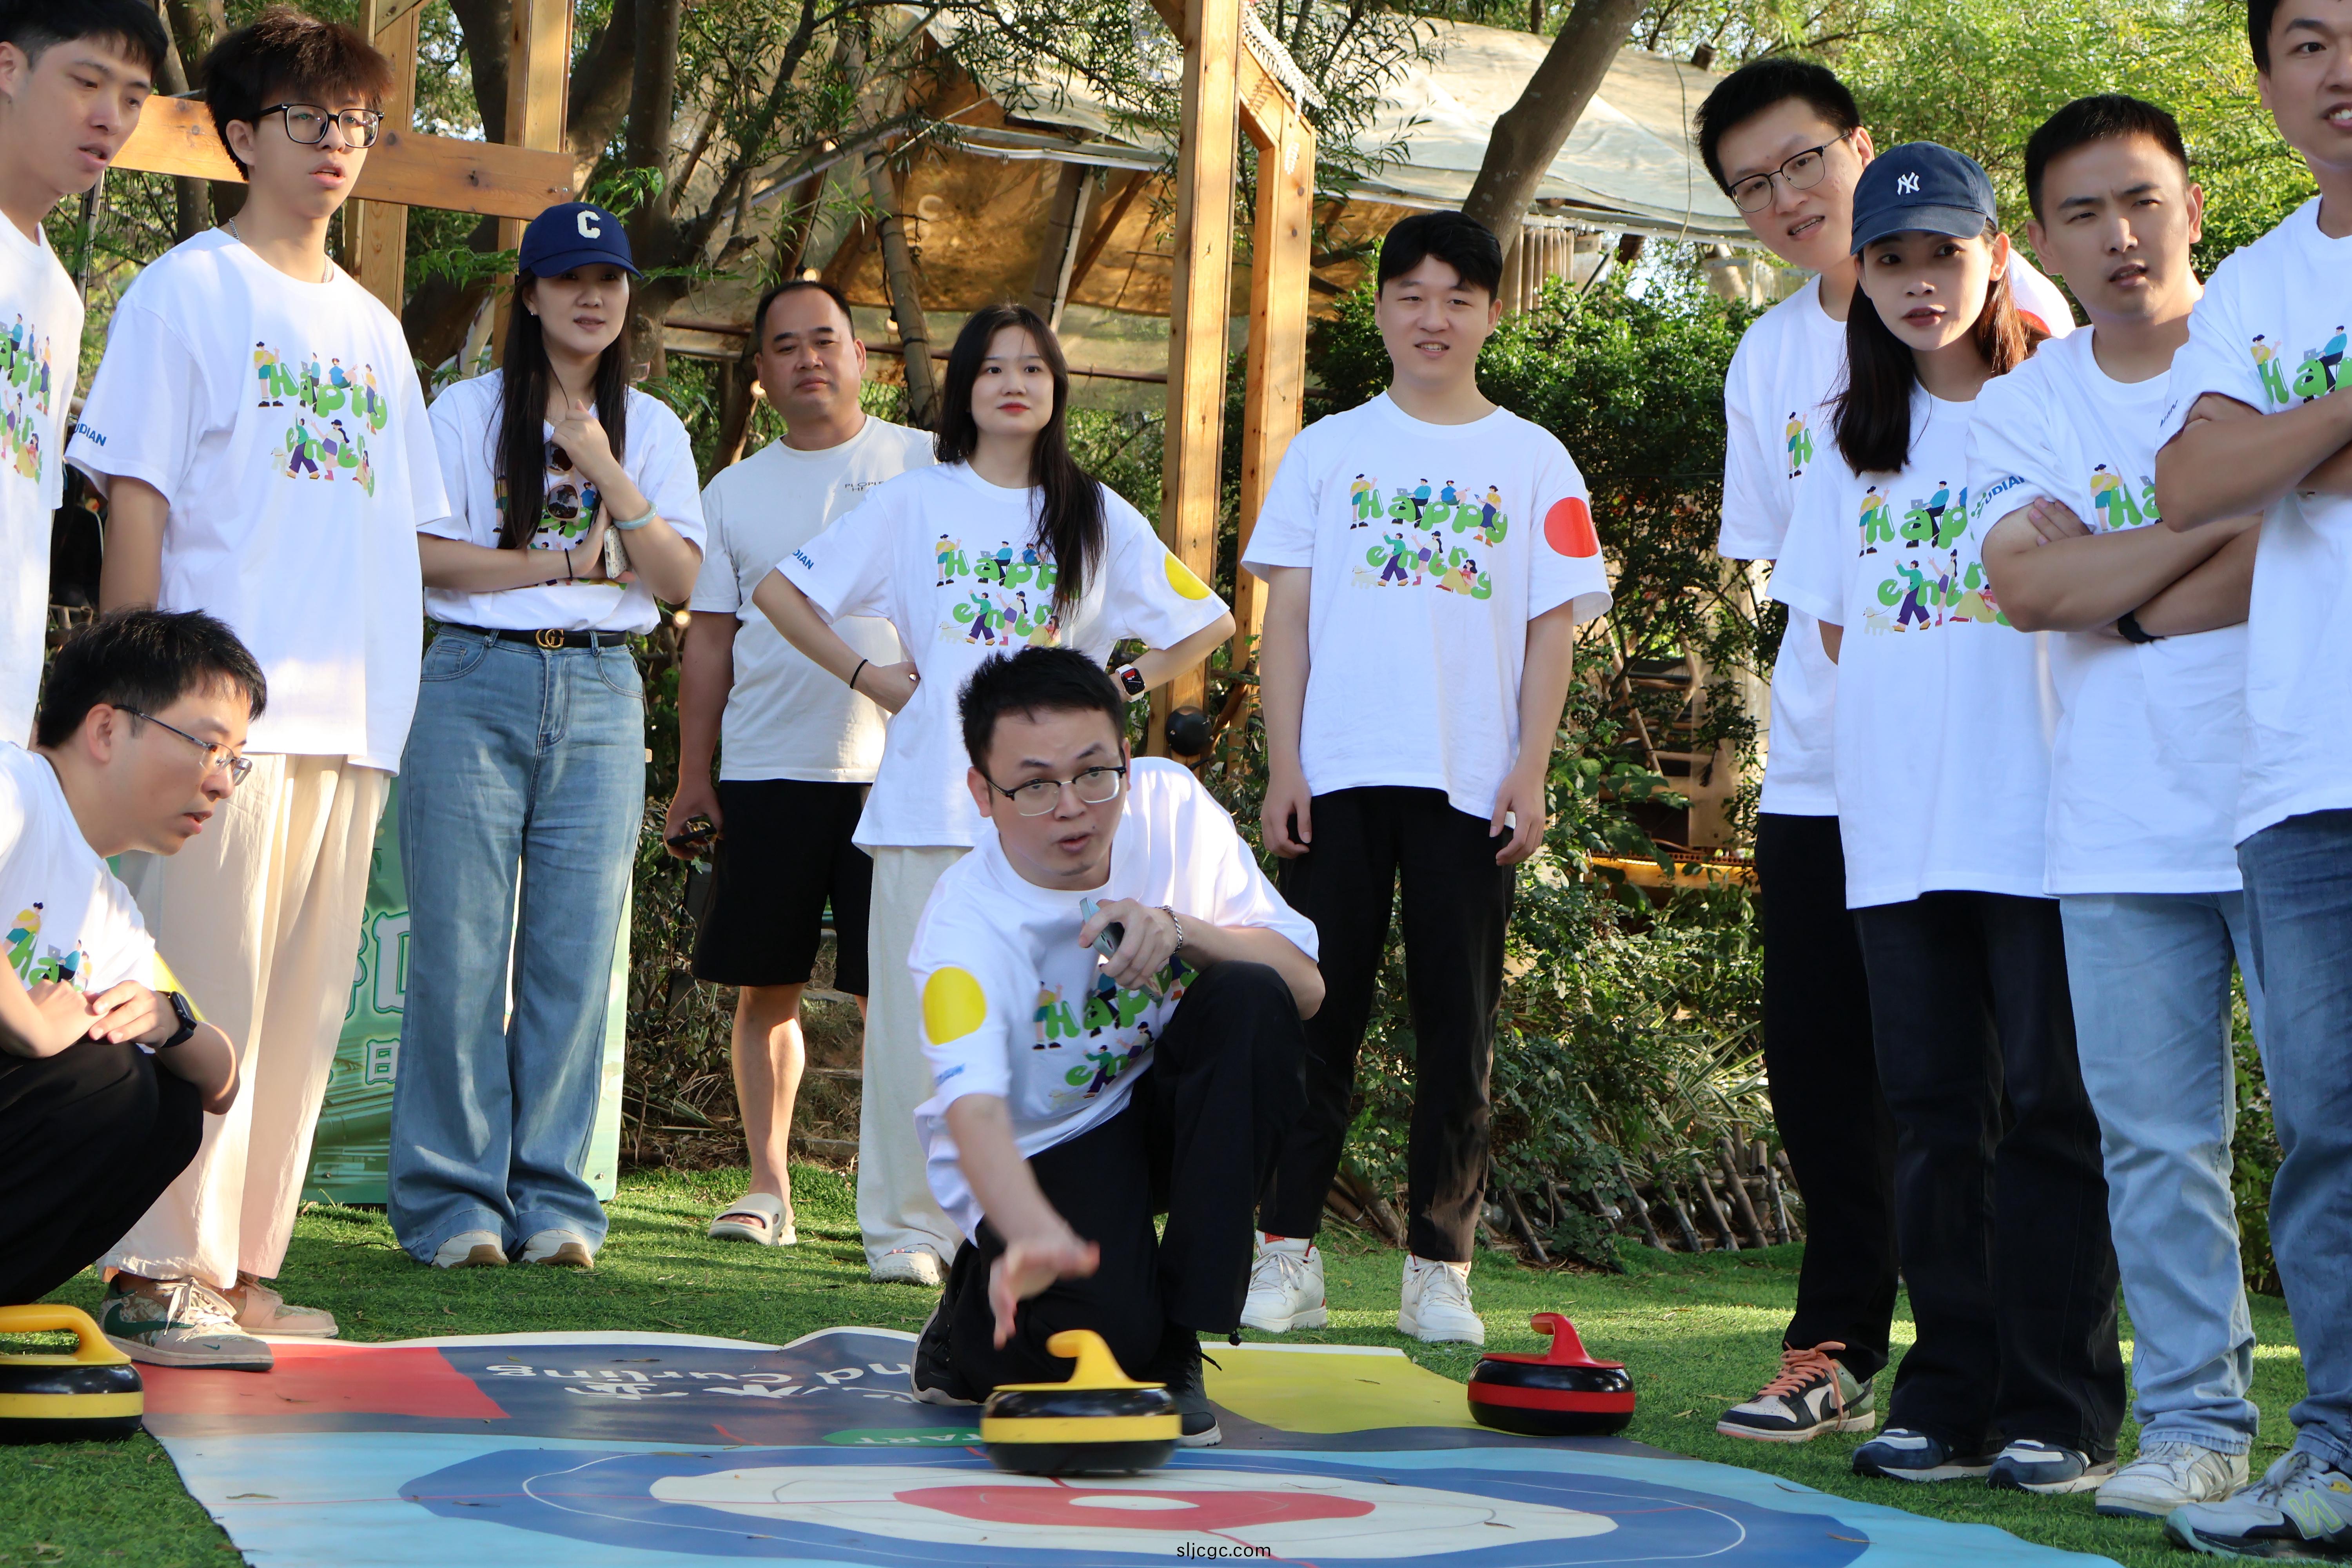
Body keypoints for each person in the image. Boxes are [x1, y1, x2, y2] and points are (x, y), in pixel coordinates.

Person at [1693, 57, 2077, 1444]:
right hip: (1831, 775)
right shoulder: (1770, 362)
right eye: (1752, 185)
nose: (1785, 197)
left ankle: (2037, 1384)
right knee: (1840, 1073)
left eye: (1802, 161)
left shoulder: (2031, 332)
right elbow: (1802, 589)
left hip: (2004, 781)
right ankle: (1845, 1349)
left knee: (2013, 1091)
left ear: (1857, 147)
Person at [65, 5, 445, 1368]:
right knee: (199, 994)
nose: (336, 145)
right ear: (239, 137)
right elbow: (138, 498)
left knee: (302, 1014)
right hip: (219, 725)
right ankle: (154, 1268)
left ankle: (242, 1270)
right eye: (306, 120)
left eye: (355, 123)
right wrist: (138, 705)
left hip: (357, 722)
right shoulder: (189, 291)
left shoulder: (377, 329)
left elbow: (401, 533)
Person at [1769, 144, 2124, 1493]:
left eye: (1946, 254)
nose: (1921, 283)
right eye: (1893, 260)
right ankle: (1947, 1396)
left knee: (2049, 1115)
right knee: (1928, 1120)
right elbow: (1837, 632)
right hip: (1895, 833)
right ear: (1862, 277)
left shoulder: (2065, 404)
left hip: (2044, 824)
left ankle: (2060, 1406)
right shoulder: (1844, 440)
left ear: (1998, 257)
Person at [751, 302, 1233, 1287]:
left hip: (1059, 821)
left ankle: (1013, 1218)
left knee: (1042, 1026)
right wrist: (870, 677)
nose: (1015, 384)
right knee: (916, 1024)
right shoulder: (913, 502)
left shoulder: (1096, 511)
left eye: (1034, 368)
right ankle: (906, 1229)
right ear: (964, 389)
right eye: (994, 368)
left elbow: (1207, 620)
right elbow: (782, 591)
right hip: (931, 803)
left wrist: (1118, 683)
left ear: (1057, 390)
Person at [1239, 211, 1611, 1348]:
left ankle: (1439, 1269)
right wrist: (1285, 763)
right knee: (1315, 1013)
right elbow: (1286, 619)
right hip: (1339, 772)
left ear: (1494, 312)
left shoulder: (1535, 460)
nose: (1433, 318)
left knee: (1461, 1028)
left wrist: (1530, 769)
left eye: (1458, 298)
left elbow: (1553, 630)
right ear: (1381, 310)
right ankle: (1285, 1252)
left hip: (1470, 784)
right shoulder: (1327, 450)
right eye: (1411, 295)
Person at [1970, 96, 2266, 1521]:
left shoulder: (2263, 348)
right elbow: (2029, 589)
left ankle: (2333, 1434)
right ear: (2041, 239)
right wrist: (2218, 528)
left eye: (2142, 200)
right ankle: (2198, 1427)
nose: (2120, 235)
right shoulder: (2025, 405)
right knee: (2155, 1147)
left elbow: (2306, 552)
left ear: (2192, 206)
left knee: (2333, 1132)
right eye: (2082, 214)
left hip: (2294, 799)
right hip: (2116, 826)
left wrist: (2123, 586)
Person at [387, 202, 704, 1272]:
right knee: (461, 950)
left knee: (575, 954)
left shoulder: (653, 427)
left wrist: (603, 464)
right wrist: (565, 565)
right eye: (568, 279)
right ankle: (454, 1205)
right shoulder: (464, 410)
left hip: (605, 687)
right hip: (473, 675)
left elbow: (681, 580)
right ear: (528, 296)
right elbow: (425, 556)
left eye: (608, 280)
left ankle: (557, 1202)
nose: (591, 297)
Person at [903, 647, 1320, 1445]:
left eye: (1095, 773)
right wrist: (1029, 1228)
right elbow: (974, 1113)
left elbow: (1305, 990)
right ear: (983, 795)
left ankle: (1178, 1341)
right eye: (1034, 785)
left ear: (1128, 758)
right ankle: (972, 1302)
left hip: (1162, 1106)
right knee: (1084, 1344)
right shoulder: (963, 929)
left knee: (1250, 996)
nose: (1073, 808)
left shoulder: (1172, 806)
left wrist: (1181, 929)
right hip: (1042, 1145)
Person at [2152, 0, 2352, 1552]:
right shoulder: (2266, 282)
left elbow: (2249, 465)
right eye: (2310, 42)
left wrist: (2283, 443)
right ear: (2270, 77)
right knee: (2330, 1130)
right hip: (2303, 769)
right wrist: (2328, 425)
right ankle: (2339, 1454)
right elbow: (2190, 482)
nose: (2343, 70)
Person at [668, 280, 932, 1247]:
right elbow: (708, 641)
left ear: (863, 356)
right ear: (762, 372)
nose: (808, 358)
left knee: (894, 994)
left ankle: (906, 1205)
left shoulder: (927, 464)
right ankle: (767, 1187)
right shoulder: (733, 491)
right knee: (764, 984)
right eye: (785, 346)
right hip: (767, 766)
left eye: (826, 340)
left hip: (906, 775)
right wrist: (694, 775)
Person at [2, 611, 243, 1327]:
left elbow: (222, 1084)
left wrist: (172, 1022)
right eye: (208, 747)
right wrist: (31, 1028)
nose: (223, 784)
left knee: (167, 1104)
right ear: (107, 729)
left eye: (237, 760)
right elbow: (40, 1037)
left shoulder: (107, 904)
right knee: (105, 1078)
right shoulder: (14, 786)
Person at [0, 0, 163, 748]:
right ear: (9, 68)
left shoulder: (61, 302)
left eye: (133, 98)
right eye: (87, 82)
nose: (110, 118)